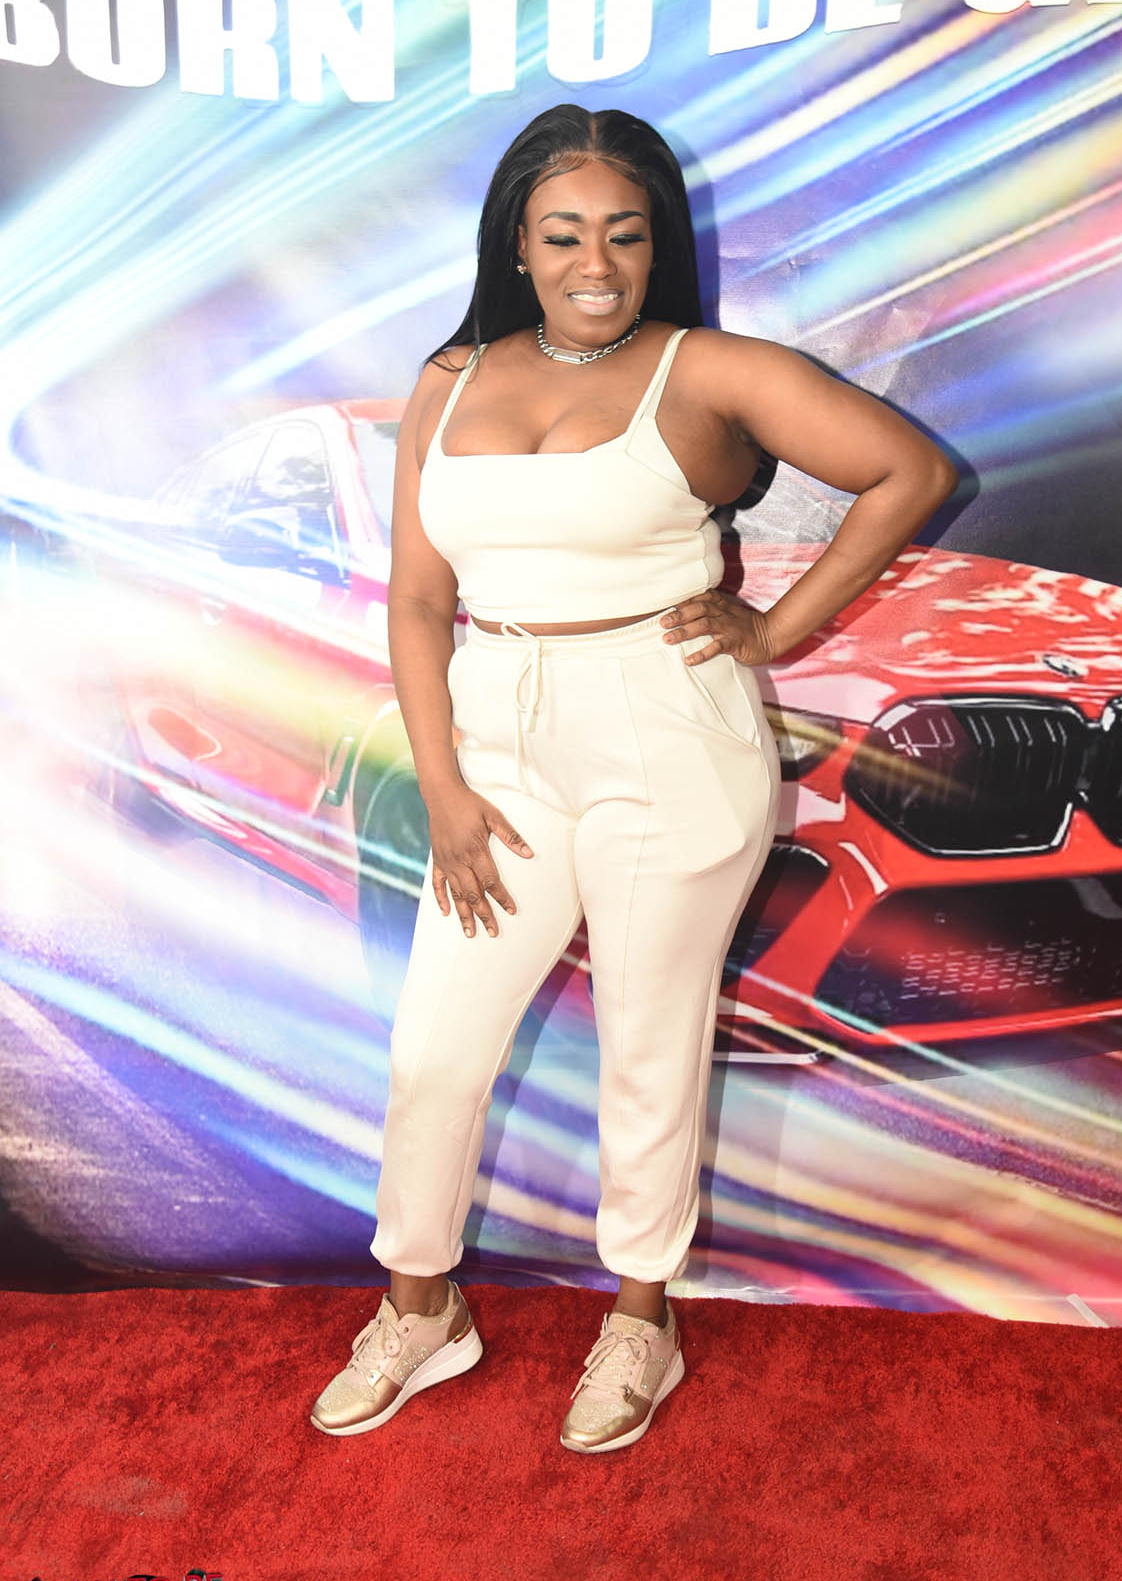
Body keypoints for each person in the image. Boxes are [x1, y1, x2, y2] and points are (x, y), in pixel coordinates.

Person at [310, 103, 957, 1453]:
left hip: (667, 735)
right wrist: (442, 787)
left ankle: (641, 1321)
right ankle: (420, 1307)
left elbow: (909, 470)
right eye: (562, 235)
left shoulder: (708, 369)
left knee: (647, 1049)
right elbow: (419, 599)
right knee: (434, 1048)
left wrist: (775, 632)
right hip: (496, 738)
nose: (594, 263)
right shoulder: (450, 377)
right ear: (517, 244)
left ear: (658, 244)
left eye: (624, 232)